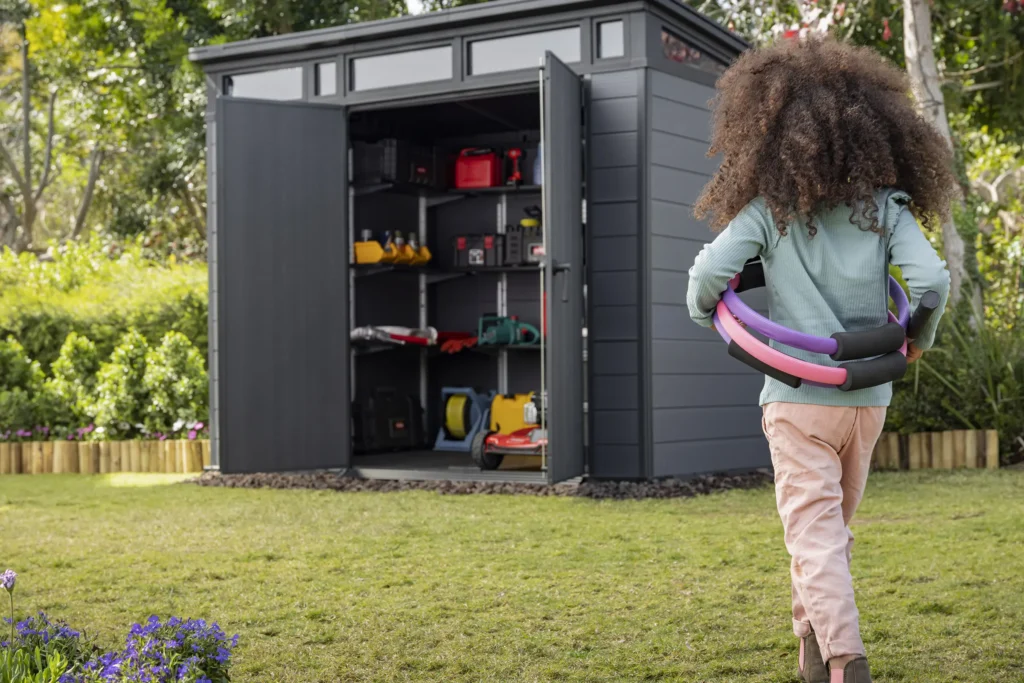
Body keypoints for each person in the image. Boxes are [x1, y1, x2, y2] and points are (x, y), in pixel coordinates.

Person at [685, 37, 955, 683]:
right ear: (874, 131)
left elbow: (706, 276)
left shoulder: (768, 213)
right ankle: (811, 643)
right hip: (866, 399)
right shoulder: (885, 210)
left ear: (770, 135)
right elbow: (932, 283)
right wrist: (918, 337)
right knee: (826, 532)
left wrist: (707, 313)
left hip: (798, 399)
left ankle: (845, 658)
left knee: (816, 533)